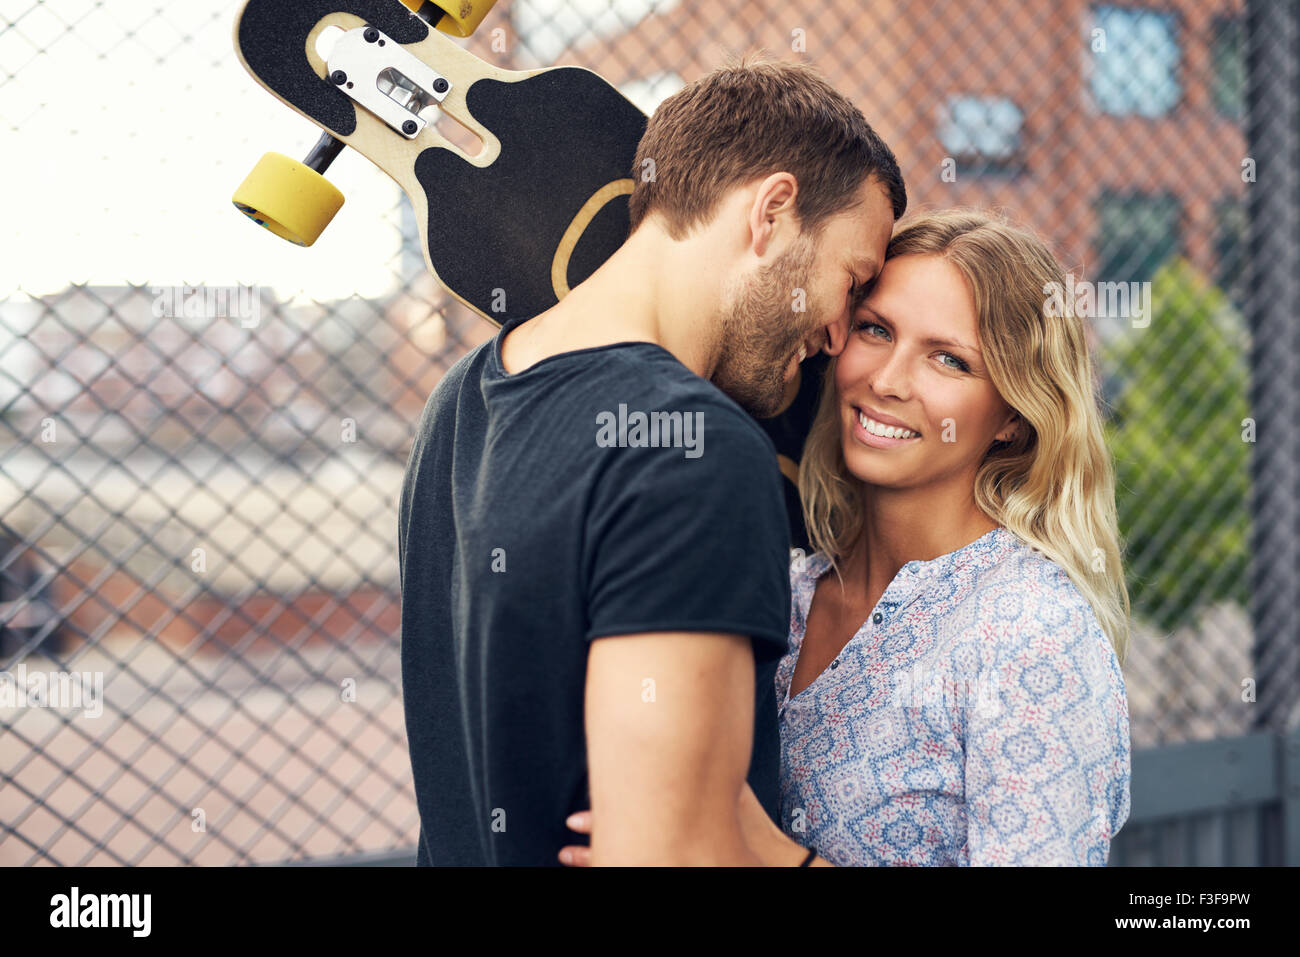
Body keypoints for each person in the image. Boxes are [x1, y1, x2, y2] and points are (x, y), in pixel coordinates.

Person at [397, 51, 906, 865]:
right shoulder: (695, 446)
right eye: (852, 282)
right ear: (772, 212)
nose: (839, 339)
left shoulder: (460, 400)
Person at [560, 209, 1132, 866]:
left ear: (1012, 417)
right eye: (875, 330)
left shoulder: (1030, 630)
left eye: (949, 359)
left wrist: (760, 852)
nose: (886, 380)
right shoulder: (786, 593)